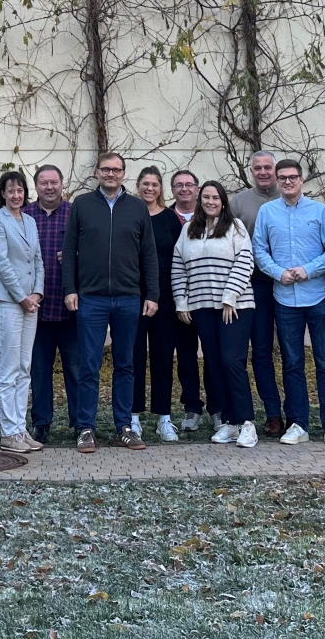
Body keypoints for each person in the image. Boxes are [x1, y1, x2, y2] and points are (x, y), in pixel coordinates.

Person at [62, 151, 157, 452]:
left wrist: (152, 293)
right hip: (90, 298)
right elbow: (69, 249)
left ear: (123, 174)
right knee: (88, 365)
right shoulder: (82, 204)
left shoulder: (138, 208)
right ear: (98, 172)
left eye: (116, 170)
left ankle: (124, 427)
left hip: (128, 298)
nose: (111, 174)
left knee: (125, 364)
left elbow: (149, 253)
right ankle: (85, 428)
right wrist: (70, 289)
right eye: (106, 169)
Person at [251, 158, 325, 447]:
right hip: (284, 300)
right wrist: (278, 272)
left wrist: (308, 270)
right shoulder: (267, 212)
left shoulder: (319, 210)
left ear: (301, 180)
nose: (288, 182)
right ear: (277, 181)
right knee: (292, 363)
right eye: (282, 177)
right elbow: (258, 249)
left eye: (292, 177)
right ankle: (299, 424)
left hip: (318, 296)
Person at [172, 180, 257, 447]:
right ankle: (229, 423)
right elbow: (178, 266)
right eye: (206, 197)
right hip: (201, 307)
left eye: (215, 198)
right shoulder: (189, 229)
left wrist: (230, 297)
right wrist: (181, 301)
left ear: (223, 202)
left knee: (231, 360)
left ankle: (247, 423)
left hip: (235, 307)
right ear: (200, 200)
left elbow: (245, 261)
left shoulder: (235, 227)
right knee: (214, 362)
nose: (210, 202)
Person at [130, 166, 198, 442]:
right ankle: (133, 417)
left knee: (162, 358)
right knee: (133, 358)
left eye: (155, 184)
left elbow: (181, 259)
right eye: (145, 183)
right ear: (138, 185)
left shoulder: (171, 219)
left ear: (161, 188)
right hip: (133, 298)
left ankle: (164, 418)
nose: (150, 188)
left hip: (165, 299)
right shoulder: (128, 214)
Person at [0, 169, 46, 453]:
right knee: (8, 370)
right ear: (3, 193)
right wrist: (22, 297)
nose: (16, 195)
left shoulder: (30, 221)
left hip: (30, 303)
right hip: (7, 302)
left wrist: (36, 293)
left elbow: (38, 260)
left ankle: (20, 429)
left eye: (20, 190)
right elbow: (1, 263)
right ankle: (8, 433)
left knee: (24, 369)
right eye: (10, 190)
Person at [229, 151, 285, 436]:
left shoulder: (290, 196)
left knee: (291, 352)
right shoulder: (238, 203)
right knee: (261, 352)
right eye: (257, 168)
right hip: (256, 286)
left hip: (289, 284)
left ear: (276, 170)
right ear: (251, 171)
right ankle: (273, 414)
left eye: (268, 167)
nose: (263, 172)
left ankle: (297, 413)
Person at [26, 163, 79, 446]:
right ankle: (41, 423)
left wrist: (76, 256)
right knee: (39, 371)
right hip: (36, 311)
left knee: (76, 370)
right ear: (36, 186)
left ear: (62, 184)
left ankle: (80, 423)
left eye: (54, 182)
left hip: (71, 310)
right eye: (44, 183)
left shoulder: (75, 213)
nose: (49, 187)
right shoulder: (25, 216)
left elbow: (92, 250)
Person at [167, 168, 212, 432]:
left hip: (209, 299)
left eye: (189, 184)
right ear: (172, 190)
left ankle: (217, 407)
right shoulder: (166, 218)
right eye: (178, 185)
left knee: (213, 355)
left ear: (197, 189)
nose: (184, 189)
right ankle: (192, 407)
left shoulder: (213, 216)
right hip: (179, 300)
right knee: (186, 356)